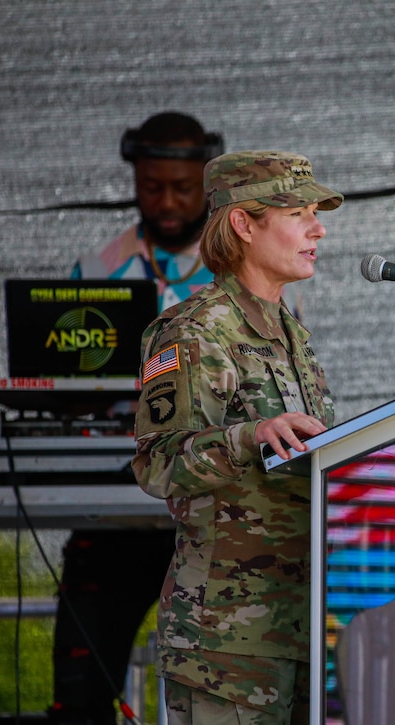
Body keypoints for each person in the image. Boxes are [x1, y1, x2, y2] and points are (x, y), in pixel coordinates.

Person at [132, 150, 343, 724]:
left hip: (300, 631)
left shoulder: (292, 334)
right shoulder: (192, 330)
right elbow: (158, 464)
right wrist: (251, 436)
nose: (317, 227)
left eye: (315, 213)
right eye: (297, 212)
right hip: (223, 642)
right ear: (243, 224)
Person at [52, 111, 224, 725]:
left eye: (183, 188)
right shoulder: (98, 271)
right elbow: (64, 377)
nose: (169, 202)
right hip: (116, 494)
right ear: (134, 179)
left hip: (210, 504)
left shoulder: (248, 267)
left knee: (219, 690)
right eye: (153, 187)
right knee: (82, 690)